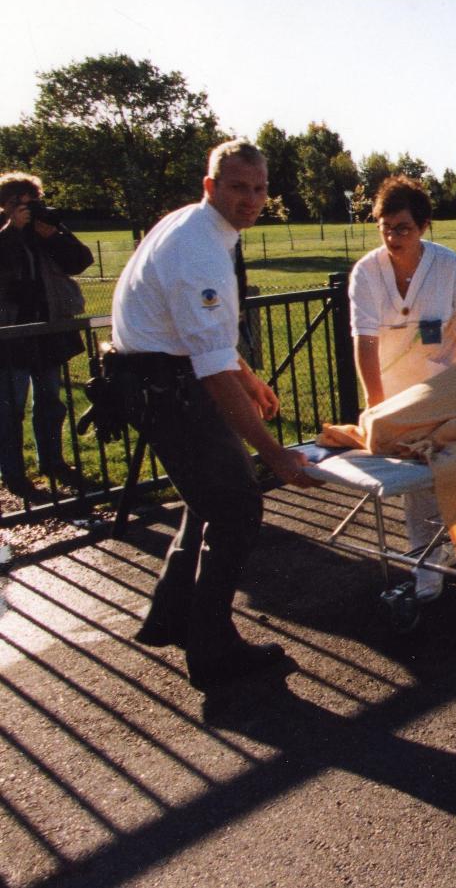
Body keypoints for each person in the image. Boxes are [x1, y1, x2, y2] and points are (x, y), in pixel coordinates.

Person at [113, 139, 311, 696]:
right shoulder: (200, 250)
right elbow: (209, 370)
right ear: (211, 187)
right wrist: (273, 454)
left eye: (259, 188)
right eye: (237, 188)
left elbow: (210, 346)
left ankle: (173, 615)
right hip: (170, 389)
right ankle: (213, 650)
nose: (251, 200)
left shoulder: (198, 229)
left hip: (165, 379)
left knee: (209, 502)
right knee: (237, 506)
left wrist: (247, 376)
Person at [349, 175, 456, 601]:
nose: (392, 237)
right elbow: (364, 342)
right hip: (393, 397)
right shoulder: (366, 273)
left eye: (402, 228)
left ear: (423, 226)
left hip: (443, 391)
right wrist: (376, 405)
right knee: (419, 484)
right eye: (384, 227)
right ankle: (426, 565)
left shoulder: (449, 267)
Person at [0, 172, 94, 499]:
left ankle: (53, 463)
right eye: (19, 204)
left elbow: (82, 260)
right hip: (10, 337)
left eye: (33, 202)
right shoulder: (5, 235)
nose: (28, 209)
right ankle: (13, 475)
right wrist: (12, 231)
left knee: (51, 404)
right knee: (10, 410)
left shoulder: (46, 229)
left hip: (48, 332)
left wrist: (53, 236)